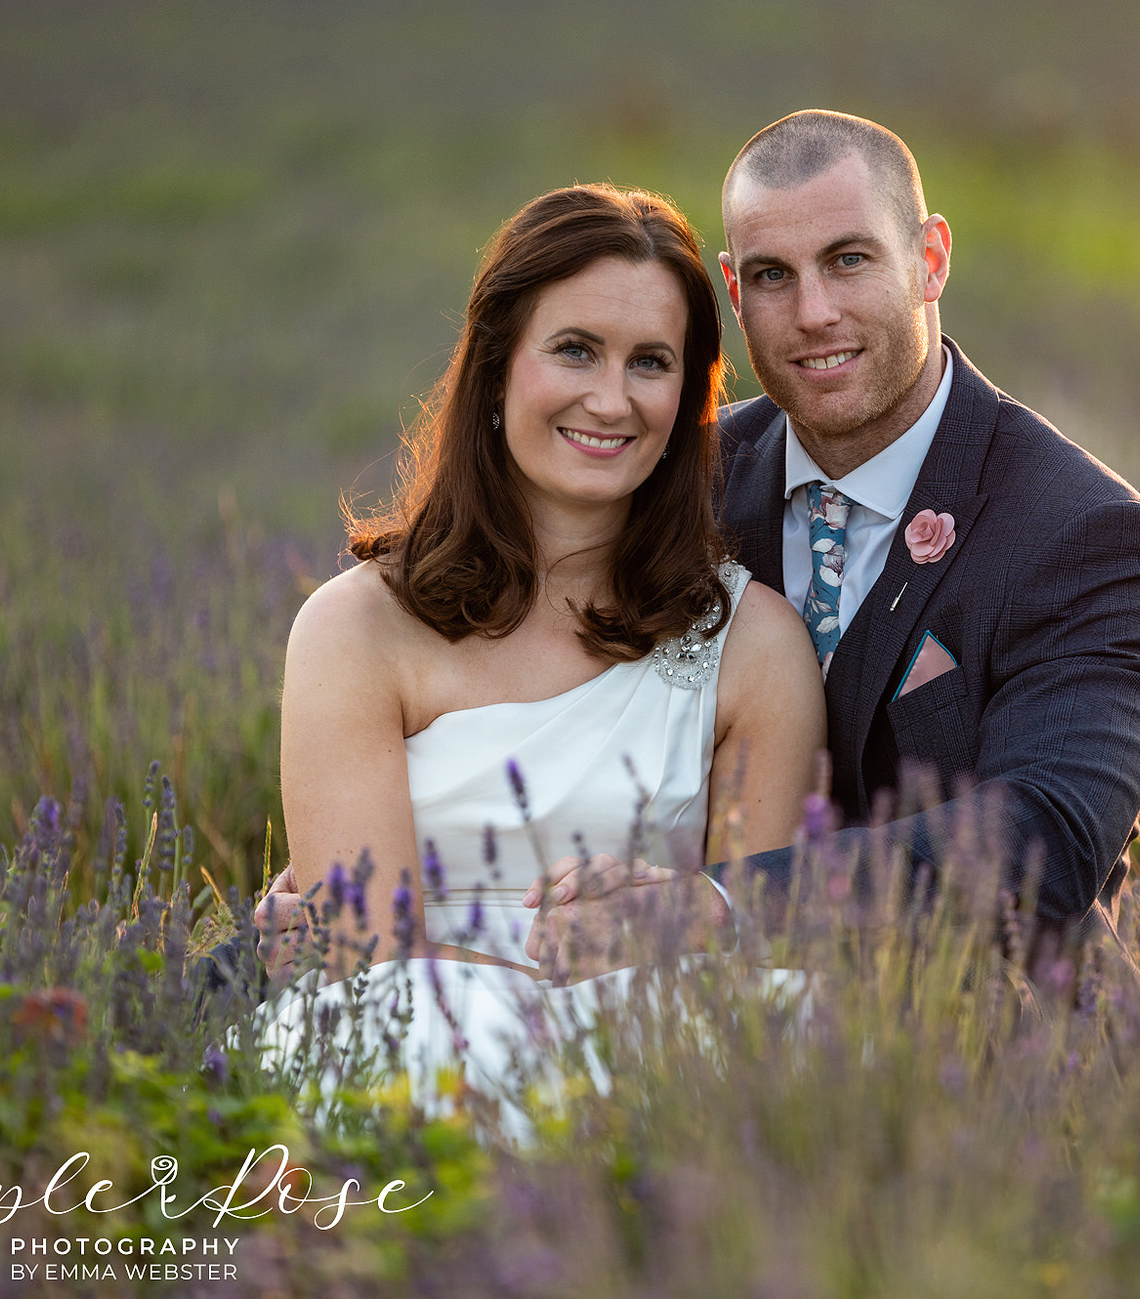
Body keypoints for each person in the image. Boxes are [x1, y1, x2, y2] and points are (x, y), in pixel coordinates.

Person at [261, 109, 1140, 984]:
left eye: (850, 259)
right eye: (775, 276)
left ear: (931, 258)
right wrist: (271, 955)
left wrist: (705, 909)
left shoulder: (1084, 537)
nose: (815, 311)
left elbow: (1052, 838)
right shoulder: (657, 474)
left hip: (998, 1049)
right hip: (641, 1024)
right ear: (736, 296)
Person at [263, 183, 823, 1036]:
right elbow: (364, 963)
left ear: (688, 399)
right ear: (495, 367)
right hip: (414, 1050)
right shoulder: (355, 631)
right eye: (574, 350)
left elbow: (749, 939)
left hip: (654, 1041)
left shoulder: (753, 646)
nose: (610, 399)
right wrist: (539, 981)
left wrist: (660, 932)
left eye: (650, 361)